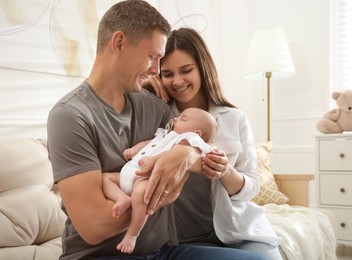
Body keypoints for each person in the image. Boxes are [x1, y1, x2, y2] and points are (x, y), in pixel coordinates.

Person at [47, 1, 268, 259]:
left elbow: (191, 137)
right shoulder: (70, 116)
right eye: (152, 57)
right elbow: (94, 227)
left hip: (163, 252)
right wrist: (161, 195)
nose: (156, 70)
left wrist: (187, 155)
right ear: (119, 43)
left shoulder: (155, 108)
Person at [148, 27, 283, 260]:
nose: (177, 81)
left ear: (202, 68)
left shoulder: (234, 119)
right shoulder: (155, 118)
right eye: (167, 74)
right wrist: (144, 88)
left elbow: (251, 188)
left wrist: (225, 171)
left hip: (236, 233)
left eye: (186, 70)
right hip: (178, 239)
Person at [102, 107, 217, 254]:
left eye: (183, 119)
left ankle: (132, 234)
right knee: (106, 178)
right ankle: (122, 198)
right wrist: (135, 149)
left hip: (144, 176)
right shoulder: (165, 133)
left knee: (142, 195)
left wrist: (152, 160)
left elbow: (206, 150)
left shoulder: (187, 140)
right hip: (129, 170)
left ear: (196, 133)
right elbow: (148, 143)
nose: (175, 118)